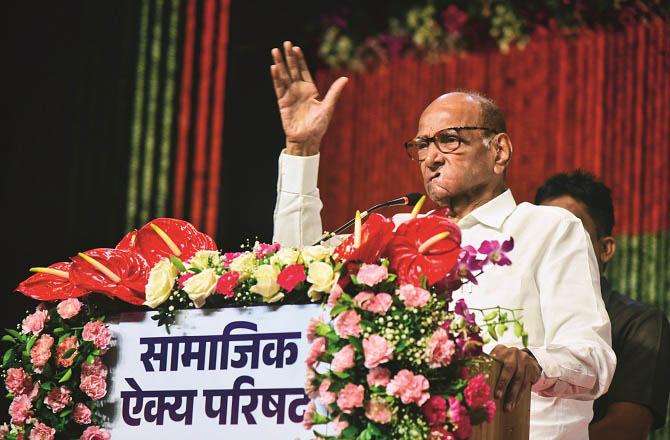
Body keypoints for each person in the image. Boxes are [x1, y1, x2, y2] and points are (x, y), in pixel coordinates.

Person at [270, 41, 615, 439]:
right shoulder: (396, 234)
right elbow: (297, 271)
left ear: (499, 150)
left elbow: (593, 360)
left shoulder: (548, 229)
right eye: (421, 145)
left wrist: (534, 362)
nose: (431, 157)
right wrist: (302, 150)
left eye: (449, 139)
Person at [535, 170, 670, 440]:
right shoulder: (520, 308)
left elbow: (626, 429)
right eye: (543, 233)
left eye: (571, 232)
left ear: (605, 249)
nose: (555, 245)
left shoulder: (640, 323)